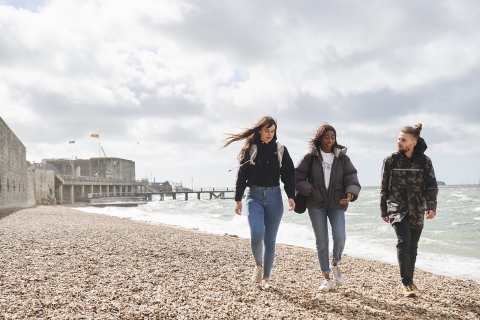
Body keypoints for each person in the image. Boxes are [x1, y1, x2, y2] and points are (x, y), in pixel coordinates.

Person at [222, 116, 296, 288]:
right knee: (257, 233)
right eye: (266, 131)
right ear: (259, 131)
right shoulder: (251, 149)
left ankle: (267, 278)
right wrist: (237, 199)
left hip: (275, 197)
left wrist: (291, 196)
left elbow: (288, 175)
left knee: (270, 240)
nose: (270, 134)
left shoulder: (281, 150)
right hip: (254, 196)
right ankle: (258, 265)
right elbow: (241, 175)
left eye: (273, 131)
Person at [295, 124, 360, 292]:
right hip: (316, 203)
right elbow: (297, 176)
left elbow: (351, 177)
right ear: (320, 138)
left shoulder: (342, 157)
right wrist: (309, 189)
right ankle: (326, 277)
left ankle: (336, 263)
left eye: (332, 137)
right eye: (326, 137)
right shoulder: (310, 156)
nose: (330, 140)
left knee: (339, 237)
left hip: (337, 202)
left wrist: (350, 193)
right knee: (322, 242)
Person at [380, 123, 438, 297]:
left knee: (412, 246)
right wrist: (383, 210)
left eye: (403, 140)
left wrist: (431, 206)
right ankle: (406, 282)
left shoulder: (424, 161)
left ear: (413, 143)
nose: (399, 142)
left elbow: (431, 186)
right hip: (396, 207)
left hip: (417, 208)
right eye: (398, 138)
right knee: (403, 240)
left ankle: (410, 282)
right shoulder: (390, 160)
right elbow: (384, 187)